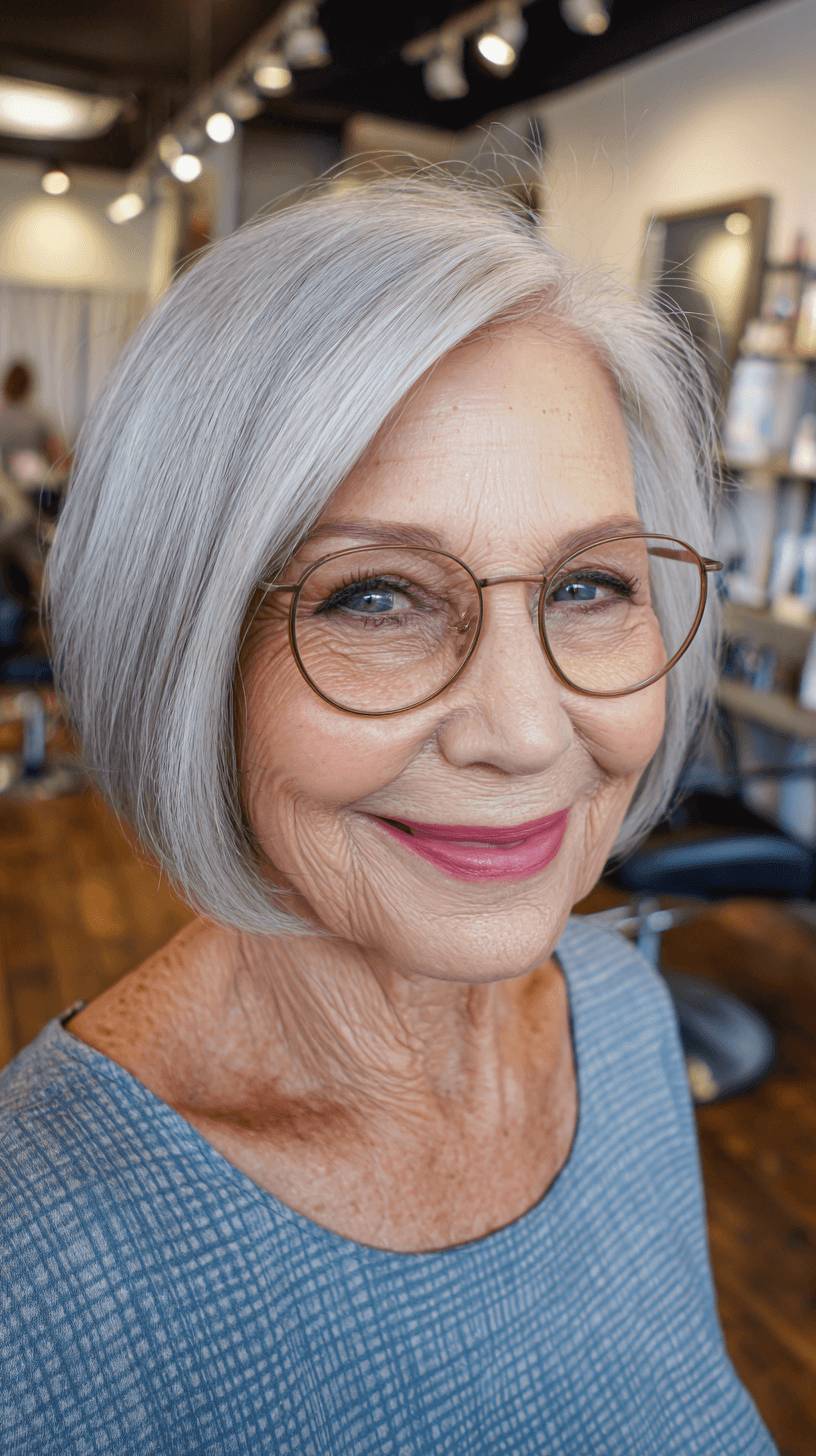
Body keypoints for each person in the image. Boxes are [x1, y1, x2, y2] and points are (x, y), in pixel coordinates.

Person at [0, 167, 779, 1455]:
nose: (528, 732)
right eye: (376, 599)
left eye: (590, 585)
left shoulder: (629, 1026)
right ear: (182, 647)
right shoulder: (40, 1264)